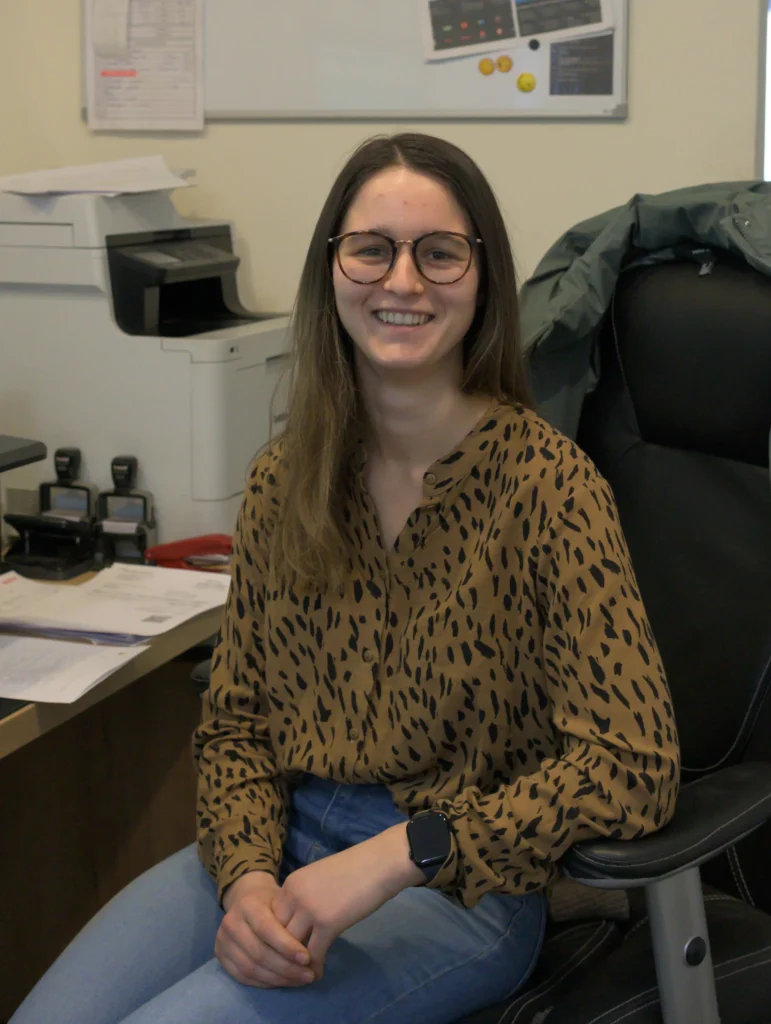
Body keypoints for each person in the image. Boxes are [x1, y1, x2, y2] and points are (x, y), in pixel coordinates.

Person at [11, 133, 680, 1024]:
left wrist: (400, 853)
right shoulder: (285, 479)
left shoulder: (549, 488)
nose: (401, 282)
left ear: (481, 278)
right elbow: (238, 724)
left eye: (438, 253)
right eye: (372, 249)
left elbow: (634, 766)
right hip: (277, 841)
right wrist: (248, 875)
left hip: (457, 890)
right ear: (332, 269)